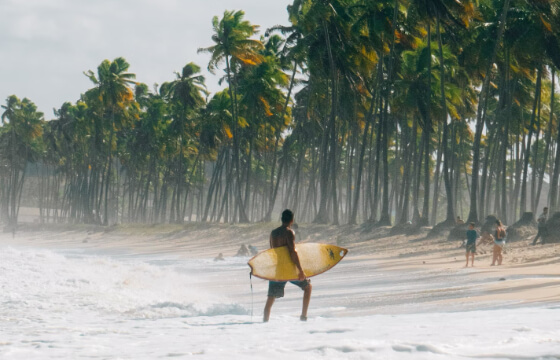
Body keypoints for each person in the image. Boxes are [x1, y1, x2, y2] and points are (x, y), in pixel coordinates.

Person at [263, 209, 312, 322]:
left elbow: (273, 251)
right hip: (289, 269)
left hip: (278, 269)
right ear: (292, 220)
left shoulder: (273, 233)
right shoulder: (289, 232)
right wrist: (300, 270)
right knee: (307, 287)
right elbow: (292, 252)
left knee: (270, 299)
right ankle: (303, 317)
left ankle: (264, 324)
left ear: (281, 219)